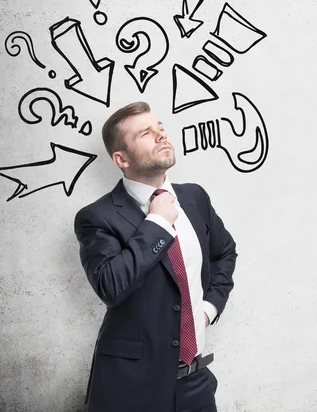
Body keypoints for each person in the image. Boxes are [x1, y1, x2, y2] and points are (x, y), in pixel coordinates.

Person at [73, 101, 237, 412]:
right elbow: (111, 285)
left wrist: (208, 308)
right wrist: (158, 222)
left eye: (160, 128)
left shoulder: (194, 197)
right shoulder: (97, 217)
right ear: (121, 158)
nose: (161, 136)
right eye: (146, 134)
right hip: (132, 388)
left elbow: (224, 253)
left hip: (196, 382)